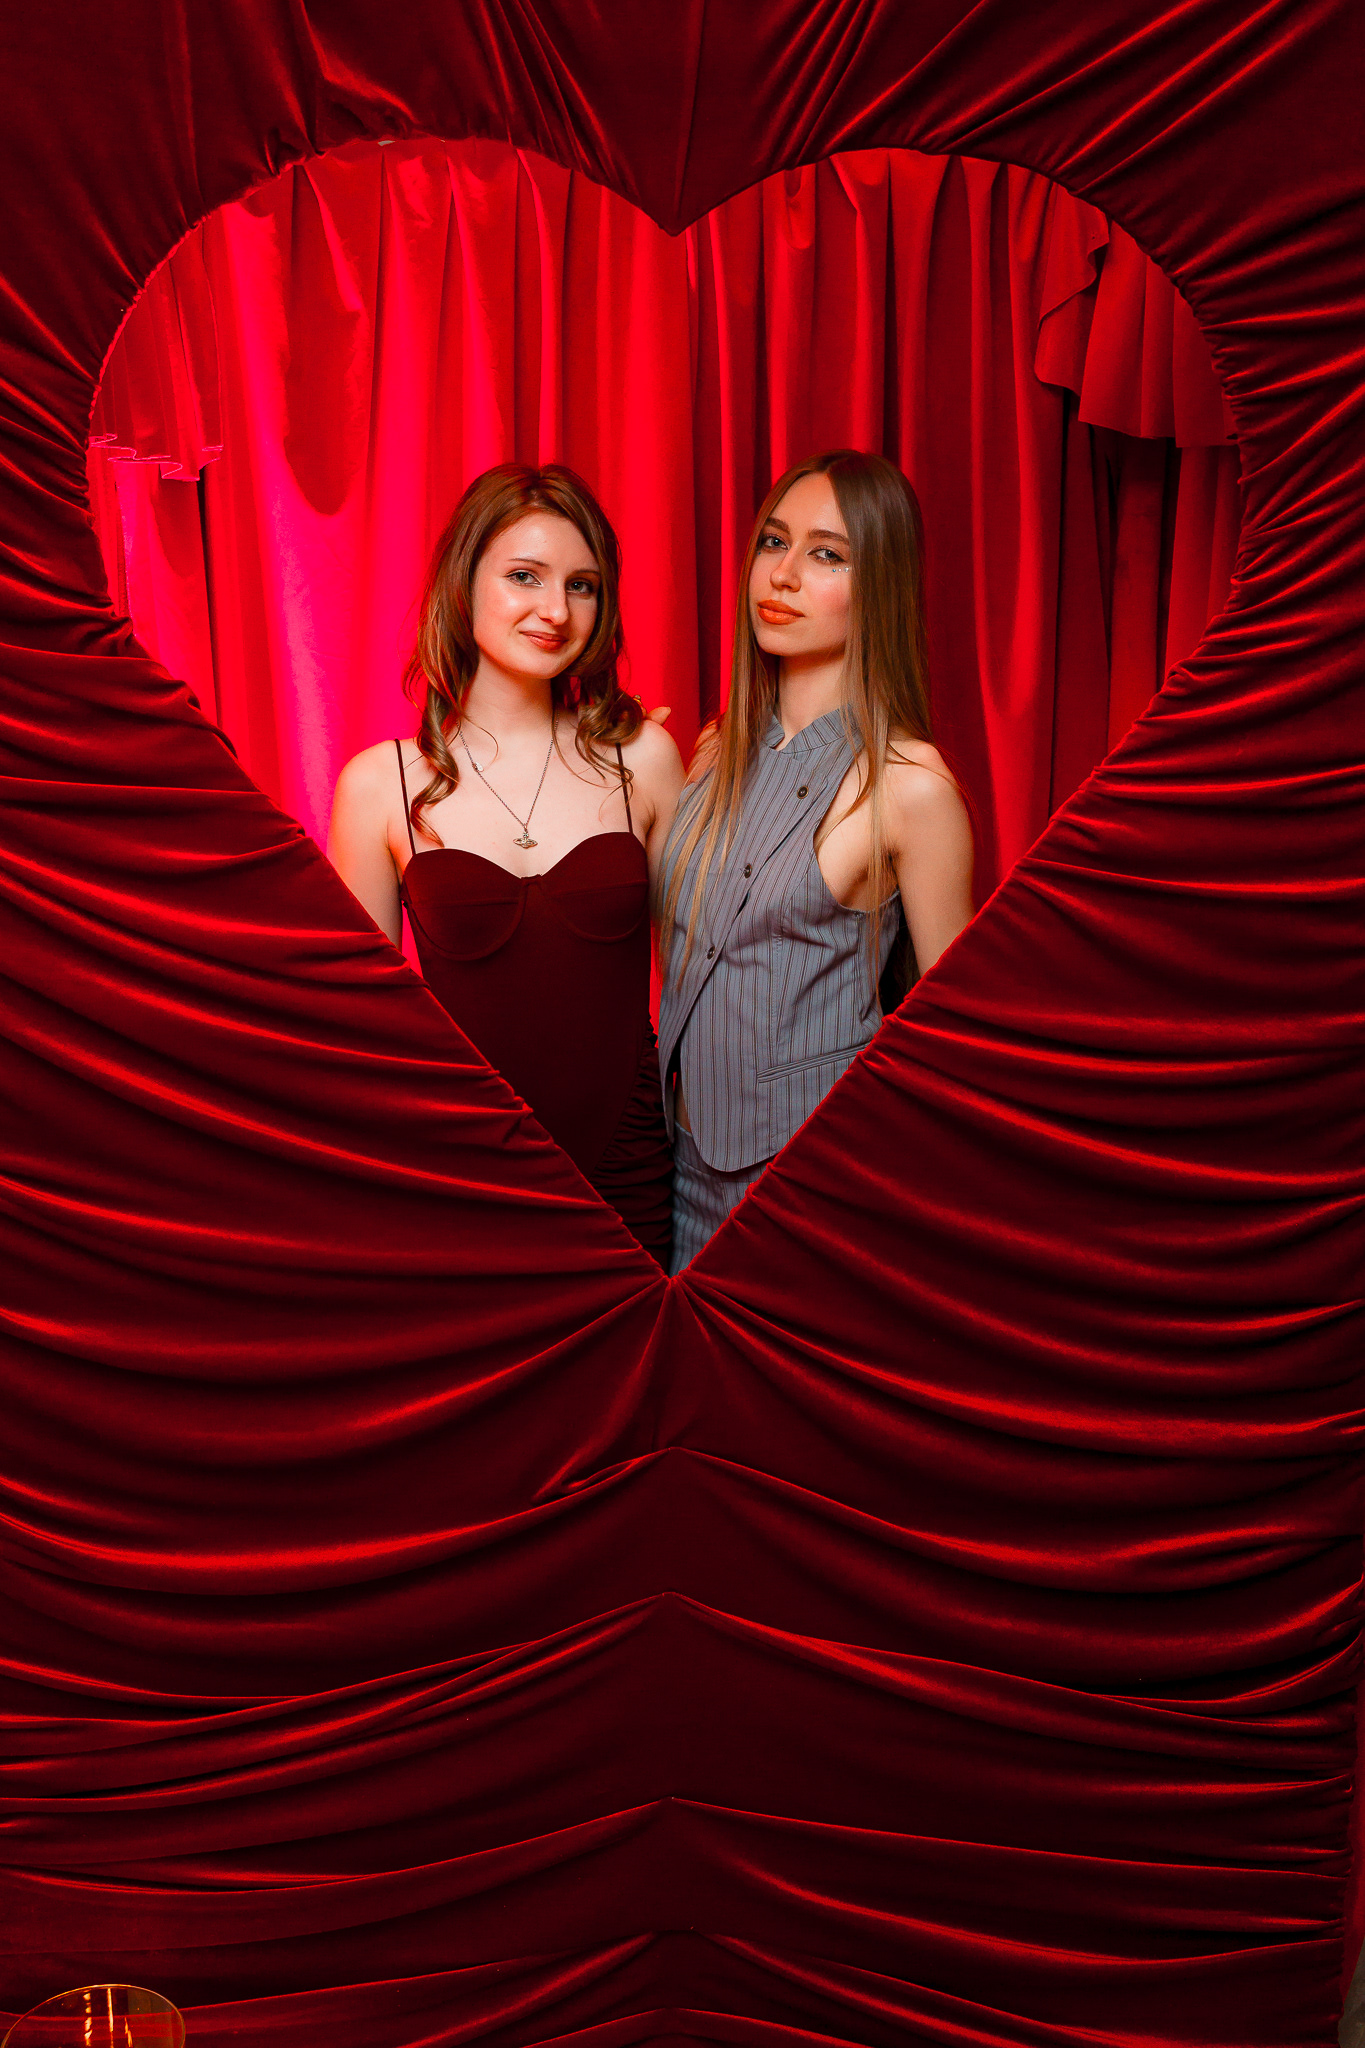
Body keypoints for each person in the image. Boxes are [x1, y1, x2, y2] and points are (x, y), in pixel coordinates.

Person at [329, 462, 684, 1264]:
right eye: (525, 576)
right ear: (463, 584)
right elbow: (369, 1027)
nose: (555, 611)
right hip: (461, 1174)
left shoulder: (643, 758)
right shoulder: (380, 785)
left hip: (631, 1163)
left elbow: (699, 977)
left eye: (582, 586)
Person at [657, 449, 974, 1274]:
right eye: (773, 542)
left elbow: (954, 1036)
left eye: (827, 554)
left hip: (810, 1189)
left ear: (881, 585)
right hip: (673, 1165)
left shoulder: (910, 783)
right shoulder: (713, 749)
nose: (784, 574)